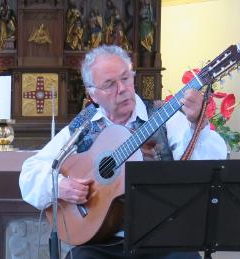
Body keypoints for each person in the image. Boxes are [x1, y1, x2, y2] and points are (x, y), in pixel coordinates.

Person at [18, 45, 228, 259]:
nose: (122, 89)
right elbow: (30, 172)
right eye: (109, 84)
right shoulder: (83, 126)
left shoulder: (164, 116)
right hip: (102, 241)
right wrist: (60, 186)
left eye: (125, 78)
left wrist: (199, 125)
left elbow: (210, 167)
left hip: (162, 237)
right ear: (93, 94)